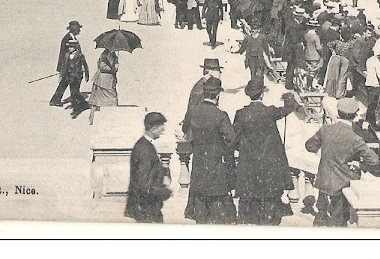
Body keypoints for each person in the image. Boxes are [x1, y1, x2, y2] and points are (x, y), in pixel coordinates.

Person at [233, 77, 299, 225]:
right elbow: (289, 108)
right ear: (262, 94)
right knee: (269, 205)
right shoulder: (269, 112)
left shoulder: (241, 114)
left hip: (249, 166)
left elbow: (234, 140)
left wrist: (246, 148)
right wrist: (288, 98)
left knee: (250, 206)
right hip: (269, 168)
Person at [305, 97, 379, 227]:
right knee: (339, 222)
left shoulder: (325, 129)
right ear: (355, 115)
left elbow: (309, 146)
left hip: (324, 181)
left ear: (338, 113)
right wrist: (359, 165)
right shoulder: (355, 138)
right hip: (342, 185)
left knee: (321, 218)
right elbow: (374, 160)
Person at [182, 77, 238, 224]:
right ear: (218, 95)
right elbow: (231, 139)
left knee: (200, 214)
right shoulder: (220, 115)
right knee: (218, 214)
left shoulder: (193, 112)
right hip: (216, 169)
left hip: (198, 167)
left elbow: (185, 129)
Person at [124, 112, 172, 223]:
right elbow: (144, 182)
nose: (163, 131)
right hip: (146, 207)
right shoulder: (144, 149)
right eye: (161, 128)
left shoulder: (144, 145)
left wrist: (163, 171)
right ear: (154, 128)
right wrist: (163, 192)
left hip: (147, 206)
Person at [50, 21, 90, 116]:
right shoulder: (67, 38)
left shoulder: (72, 37)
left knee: (64, 84)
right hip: (68, 67)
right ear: (74, 29)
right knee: (66, 84)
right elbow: (64, 54)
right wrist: (63, 68)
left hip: (71, 66)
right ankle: (57, 100)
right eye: (78, 29)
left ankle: (55, 100)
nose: (79, 30)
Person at [88, 49, 119, 124]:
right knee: (110, 99)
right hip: (103, 81)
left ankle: (103, 119)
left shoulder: (113, 54)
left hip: (107, 80)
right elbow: (102, 67)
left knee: (99, 100)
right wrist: (114, 68)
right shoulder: (104, 55)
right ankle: (94, 119)